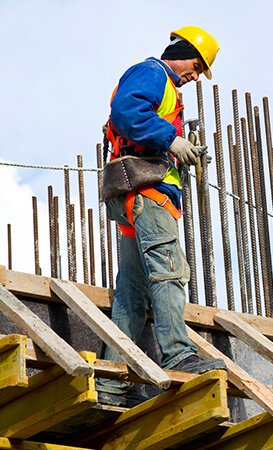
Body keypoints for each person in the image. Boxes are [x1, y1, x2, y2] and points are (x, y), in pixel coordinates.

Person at [96, 26, 225, 407]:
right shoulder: (153, 73)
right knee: (169, 272)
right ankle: (179, 354)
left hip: (136, 196)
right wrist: (172, 140)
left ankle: (112, 381)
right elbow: (127, 112)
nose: (195, 75)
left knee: (132, 294)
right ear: (181, 51)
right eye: (196, 65)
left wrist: (177, 145)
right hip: (147, 195)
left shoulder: (167, 88)